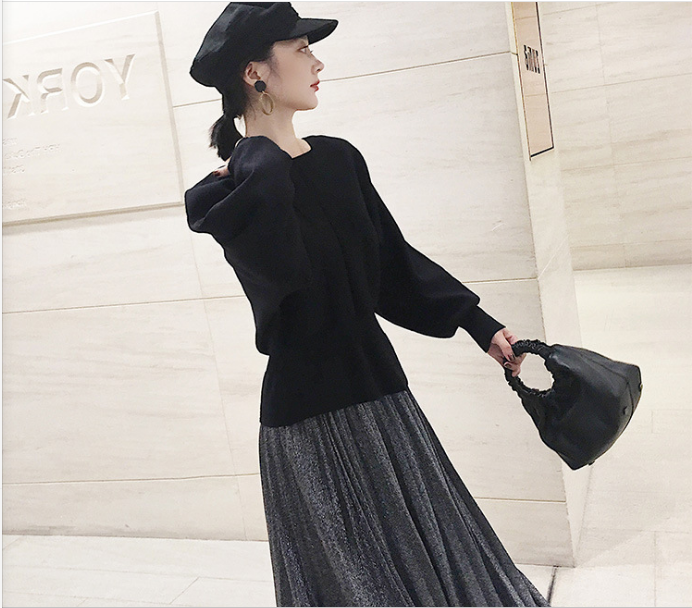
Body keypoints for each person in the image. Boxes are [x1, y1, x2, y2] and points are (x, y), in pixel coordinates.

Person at [184, 3, 548, 606]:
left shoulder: (338, 159)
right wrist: (257, 154)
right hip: (306, 415)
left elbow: (391, 263)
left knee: (440, 573)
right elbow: (284, 275)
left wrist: (477, 323)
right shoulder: (234, 193)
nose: (317, 62)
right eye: (301, 50)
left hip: (379, 391)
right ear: (255, 72)